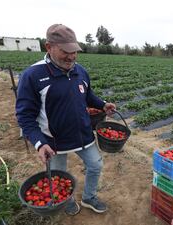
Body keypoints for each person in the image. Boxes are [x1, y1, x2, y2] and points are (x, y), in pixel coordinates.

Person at [15, 24, 116, 216]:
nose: (71, 57)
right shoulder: (33, 76)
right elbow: (25, 116)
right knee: (58, 176)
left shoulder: (81, 71)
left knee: (96, 165)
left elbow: (87, 95)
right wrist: (39, 143)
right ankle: (65, 199)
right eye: (65, 51)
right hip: (54, 142)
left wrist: (102, 104)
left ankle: (88, 197)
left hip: (83, 135)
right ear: (49, 47)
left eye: (74, 51)